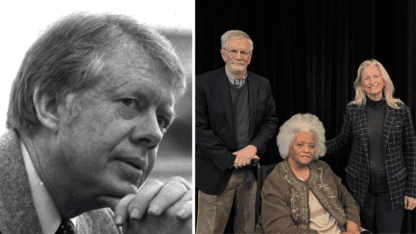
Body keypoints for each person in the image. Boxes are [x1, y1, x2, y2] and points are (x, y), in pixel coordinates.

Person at [0, 13, 191, 234]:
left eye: (162, 120)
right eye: (130, 103)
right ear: (51, 107)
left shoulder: (111, 223)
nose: (155, 134)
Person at [196, 30, 278, 233]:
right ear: (223, 54)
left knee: (247, 230)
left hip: (249, 173)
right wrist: (230, 159)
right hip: (215, 171)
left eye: (244, 52)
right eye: (234, 51)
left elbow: (270, 122)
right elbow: (198, 128)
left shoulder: (262, 85)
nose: (239, 57)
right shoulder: (203, 83)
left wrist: (252, 148)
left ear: (250, 57)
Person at [325, 59, 416, 233]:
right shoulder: (353, 110)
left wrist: (412, 190)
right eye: (366, 78)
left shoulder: (400, 110)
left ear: (384, 80)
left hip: (392, 189)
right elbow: (342, 140)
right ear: (361, 84)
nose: (372, 81)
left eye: (376, 76)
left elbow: (411, 151)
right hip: (361, 189)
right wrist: (315, 149)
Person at [258, 113, 363, 234]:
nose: (307, 150)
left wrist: (352, 225)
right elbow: (280, 229)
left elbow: (347, 199)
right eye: (300, 145)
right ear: (288, 145)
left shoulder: (322, 168)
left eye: (311, 146)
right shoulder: (275, 180)